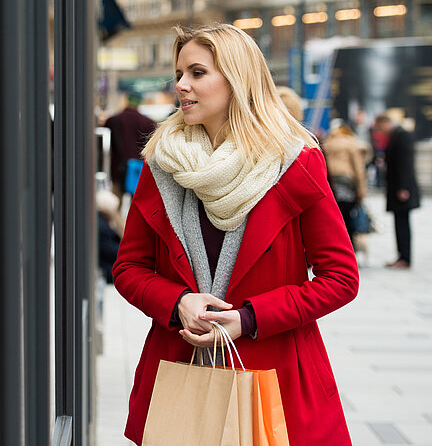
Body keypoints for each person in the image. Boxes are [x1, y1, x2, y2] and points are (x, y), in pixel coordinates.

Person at [112, 23, 359, 445]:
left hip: (276, 374)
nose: (181, 86)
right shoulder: (163, 162)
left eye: (197, 73)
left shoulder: (295, 161)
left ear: (237, 78)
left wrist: (248, 318)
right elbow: (129, 268)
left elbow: (341, 279)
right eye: (178, 75)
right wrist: (177, 303)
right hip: (182, 368)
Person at [375, 113, 420, 269]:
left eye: (380, 127)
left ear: (386, 123)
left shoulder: (402, 136)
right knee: (399, 222)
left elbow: (405, 164)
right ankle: (402, 255)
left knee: (402, 223)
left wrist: (403, 188)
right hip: (397, 187)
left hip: (402, 188)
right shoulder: (396, 136)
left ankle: (405, 257)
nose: (380, 131)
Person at [322, 122, 368, 243]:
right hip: (347, 183)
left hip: (331, 183)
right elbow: (359, 169)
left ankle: (334, 244)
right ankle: (348, 246)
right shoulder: (351, 143)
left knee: (334, 217)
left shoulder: (327, 143)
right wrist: (361, 191)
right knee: (347, 219)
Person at [104, 92, 157, 198]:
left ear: (127, 101)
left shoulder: (113, 120)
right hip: (140, 170)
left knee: (115, 203)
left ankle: (116, 216)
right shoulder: (148, 122)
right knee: (138, 203)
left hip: (118, 169)